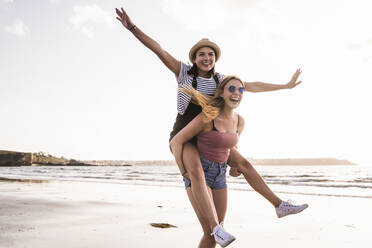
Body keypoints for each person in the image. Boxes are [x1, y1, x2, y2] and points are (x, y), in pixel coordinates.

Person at [115, 6, 308, 243]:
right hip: (186, 137)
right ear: (194, 58)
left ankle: (279, 205)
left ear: (215, 59)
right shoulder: (184, 73)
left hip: (211, 134)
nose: (207, 58)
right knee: (195, 172)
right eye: (202, 55)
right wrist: (133, 28)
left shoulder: (220, 80)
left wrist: (284, 86)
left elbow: (253, 85)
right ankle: (216, 228)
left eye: (211, 55)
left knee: (244, 163)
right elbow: (159, 50)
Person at [171, 76, 247, 247]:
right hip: (199, 172)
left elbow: (227, 147)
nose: (237, 93)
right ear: (221, 92)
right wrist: (184, 172)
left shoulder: (239, 121)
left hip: (220, 175)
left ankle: (278, 204)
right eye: (232, 89)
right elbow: (176, 141)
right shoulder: (208, 116)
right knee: (211, 231)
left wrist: (234, 165)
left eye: (241, 90)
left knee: (214, 235)